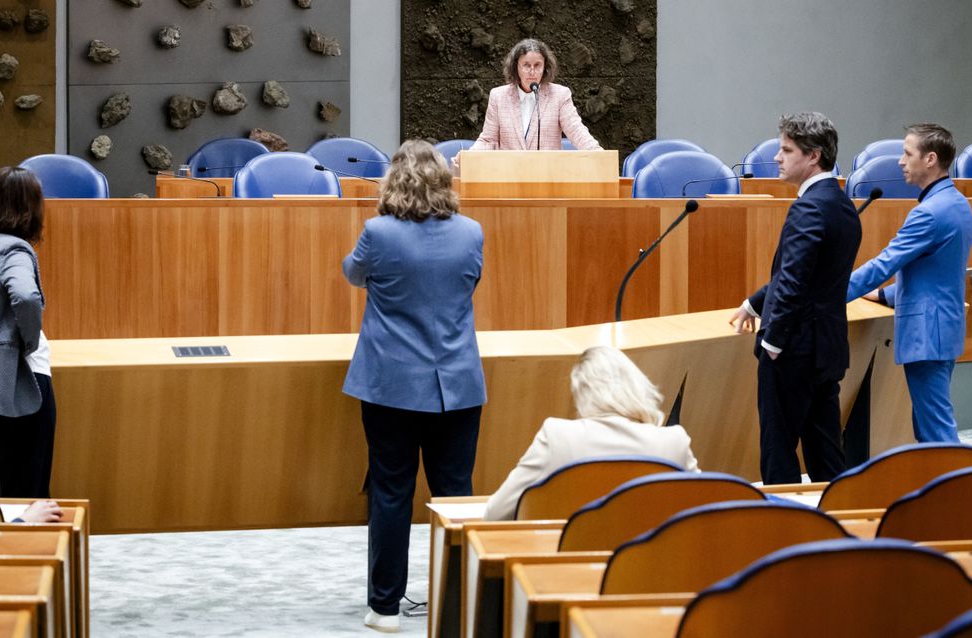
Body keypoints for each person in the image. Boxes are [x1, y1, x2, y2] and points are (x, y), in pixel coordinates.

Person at [341, 139, 486, 633]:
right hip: (457, 385)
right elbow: (470, 283)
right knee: (455, 495)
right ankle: (461, 600)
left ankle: (384, 608)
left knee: (390, 491)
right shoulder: (471, 232)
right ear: (444, 182)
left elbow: (352, 274)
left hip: (391, 386)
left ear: (393, 183)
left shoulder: (378, 233)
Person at [729, 112, 861, 485]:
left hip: (793, 350)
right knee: (825, 453)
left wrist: (772, 341)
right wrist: (754, 303)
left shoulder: (808, 207)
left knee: (778, 450)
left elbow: (793, 280)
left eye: (787, 150)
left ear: (813, 155)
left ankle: (784, 532)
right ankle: (836, 525)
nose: (777, 158)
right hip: (827, 348)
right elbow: (809, 274)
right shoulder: (841, 204)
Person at [848, 123, 972, 443]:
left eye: (907, 153)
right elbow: (938, 272)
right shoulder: (958, 203)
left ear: (930, 159)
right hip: (944, 326)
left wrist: (828, 293)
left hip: (926, 333)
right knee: (929, 425)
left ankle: (959, 490)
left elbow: (883, 264)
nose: (900, 161)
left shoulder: (929, 213)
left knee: (935, 429)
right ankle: (945, 489)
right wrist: (888, 295)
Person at [484, 346, 699, 521]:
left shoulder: (557, 437)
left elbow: (495, 515)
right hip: (652, 571)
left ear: (582, 394)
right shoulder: (673, 443)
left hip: (562, 570)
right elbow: (707, 513)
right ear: (638, 387)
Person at [0, 166, 56, 499]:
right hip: (20, 382)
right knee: (30, 487)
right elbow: (26, 296)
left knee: (13, 476)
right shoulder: (15, 250)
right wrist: (28, 342)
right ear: (31, 209)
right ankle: (29, 548)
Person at [469, 38, 602, 152]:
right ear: (516, 67)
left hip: (547, 177)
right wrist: (468, 155)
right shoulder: (498, 96)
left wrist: (597, 152)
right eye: (526, 65)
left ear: (545, 67)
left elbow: (577, 131)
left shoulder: (560, 95)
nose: (532, 72)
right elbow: (488, 140)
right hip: (510, 177)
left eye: (537, 65)